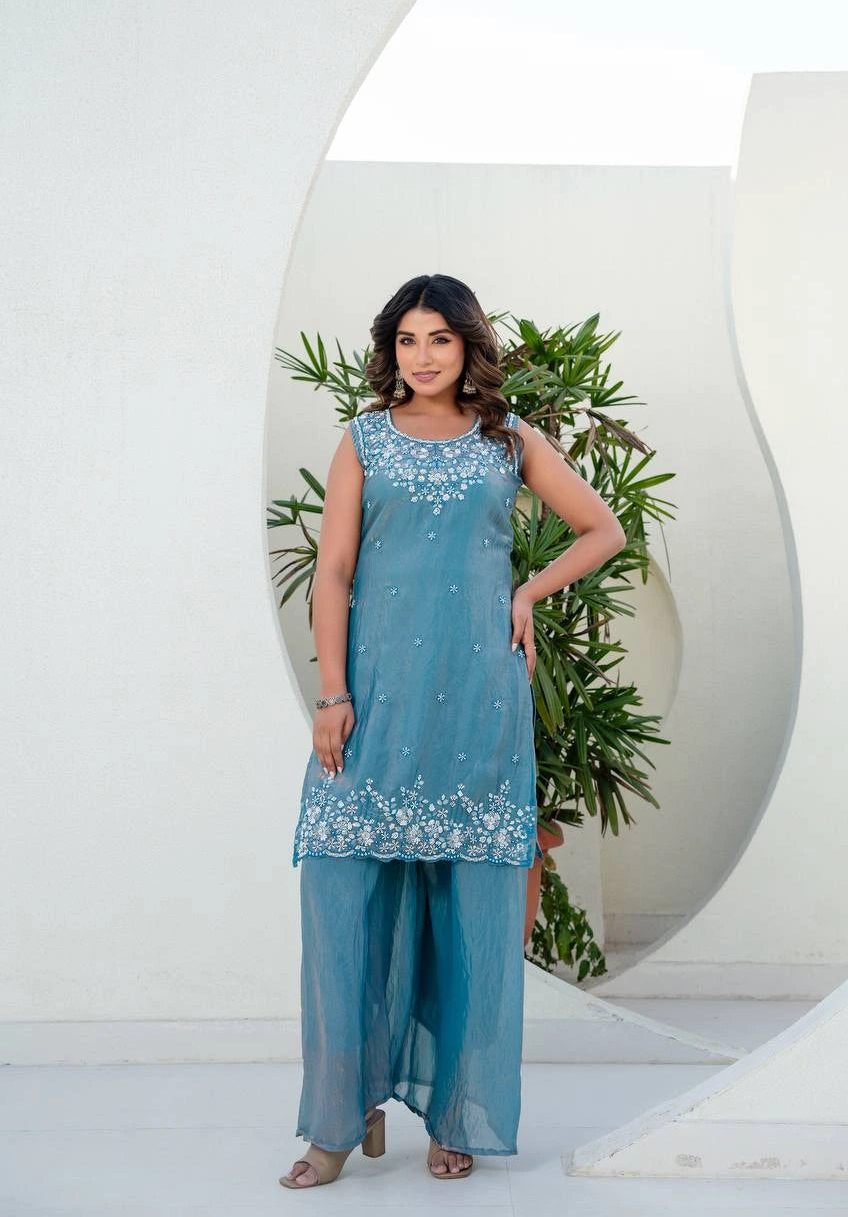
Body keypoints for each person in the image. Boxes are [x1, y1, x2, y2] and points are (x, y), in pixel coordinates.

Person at [280, 274, 626, 1189]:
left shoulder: (506, 441)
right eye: (406, 340)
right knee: (339, 905)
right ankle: (334, 1122)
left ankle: (456, 1112)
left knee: (472, 918)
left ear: (469, 346)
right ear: (389, 351)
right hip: (376, 701)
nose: (422, 356)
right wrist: (331, 695)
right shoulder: (362, 441)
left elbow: (602, 529)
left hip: (477, 702)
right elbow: (334, 573)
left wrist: (525, 590)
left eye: (439, 339)